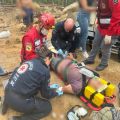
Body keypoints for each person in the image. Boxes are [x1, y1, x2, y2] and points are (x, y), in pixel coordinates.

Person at [2, 46, 62, 120]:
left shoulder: (28, 62)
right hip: (17, 101)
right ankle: (19, 119)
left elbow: (14, 74)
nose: (50, 62)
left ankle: (5, 105)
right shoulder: (44, 71)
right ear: (46, 59)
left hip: (7, 93)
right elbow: (46, 95)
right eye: (50, 60)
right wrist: (56, 91)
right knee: (47, 107)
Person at [84, 0, 120, 71]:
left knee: (105, 46)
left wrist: (109, 33)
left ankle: (104, 63)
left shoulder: (114, 1)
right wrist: (98, 22)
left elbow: (116, 18)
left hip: (112, 29)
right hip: (101, 27)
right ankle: (91, 59)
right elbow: (100, 12)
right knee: (95, 43)